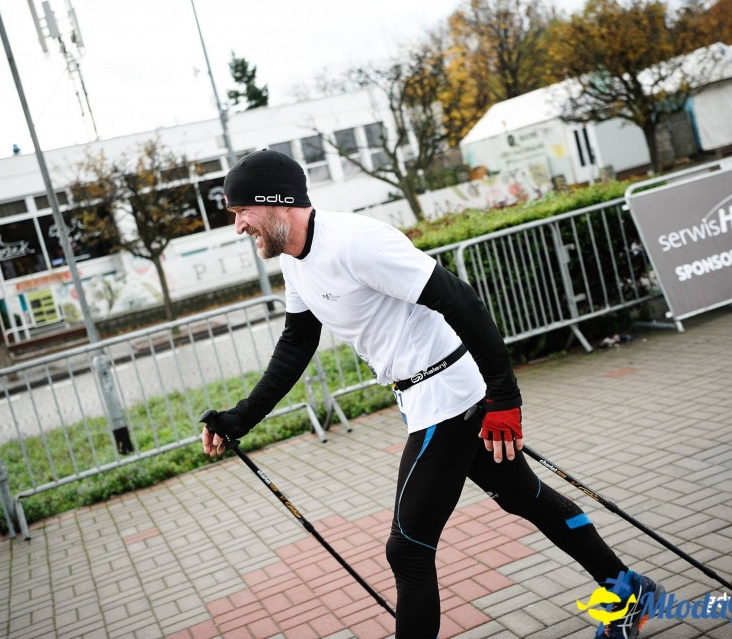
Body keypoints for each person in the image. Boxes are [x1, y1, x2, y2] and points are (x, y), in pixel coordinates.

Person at [200, 149, 661, 639]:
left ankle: (626, 589)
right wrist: (240, 418)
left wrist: (504, 398)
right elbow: (296, 344)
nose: (238, 226)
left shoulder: (356, 243)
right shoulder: (296, 262)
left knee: (408, 549)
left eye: (241, 211)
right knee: (526, 498)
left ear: (275, 201)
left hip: (449, 396)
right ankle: (628, 588)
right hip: (423, 397)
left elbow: (461, 300)